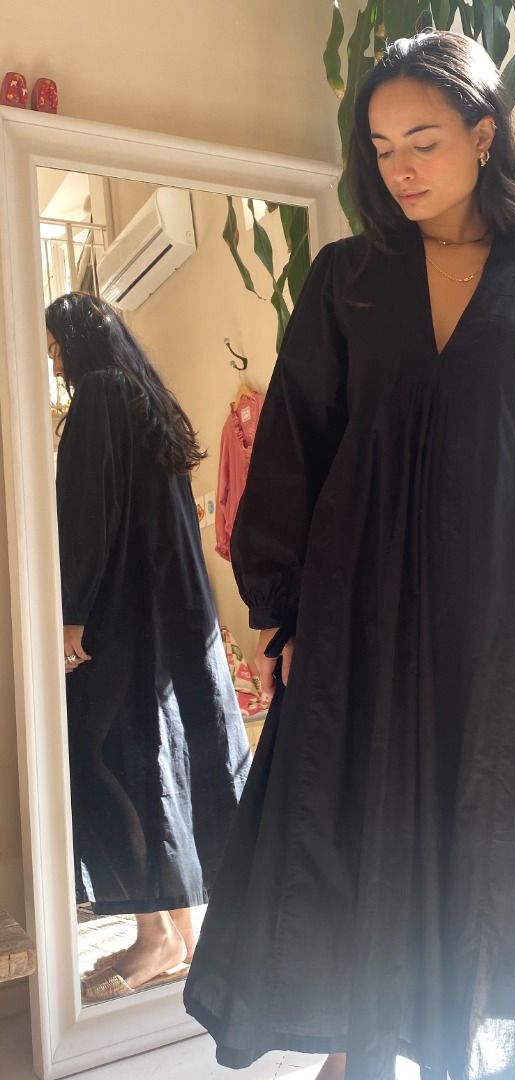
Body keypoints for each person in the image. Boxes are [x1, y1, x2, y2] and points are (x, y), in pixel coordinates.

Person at [184, 31, 515, 1080]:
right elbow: (295, 447)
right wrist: (282, 608)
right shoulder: (346, 277)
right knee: (341, 823)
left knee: (470, 838)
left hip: (493, 616)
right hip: (351, 607)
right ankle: (350, 1068)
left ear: (484, 137)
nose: (399, 166)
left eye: (423, 141)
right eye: (382, 145)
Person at [47, 293, 250, 1003]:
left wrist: (71, 614)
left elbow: (87, 511)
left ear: (80, 342)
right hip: (167, 613)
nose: (54, 362)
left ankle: (154, 935)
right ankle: (176, 937)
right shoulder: (145, 398)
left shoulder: (101, 394)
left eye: (56, 346)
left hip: (122, 616)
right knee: (158, 755)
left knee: (112, 760)